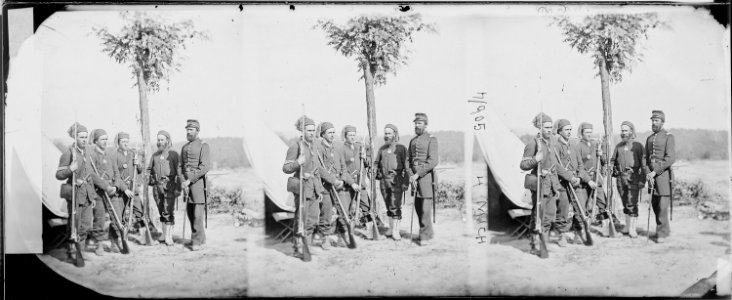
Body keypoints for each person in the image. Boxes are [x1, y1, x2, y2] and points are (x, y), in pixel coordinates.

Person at [56, 123, 111, 263]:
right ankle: (73, 249)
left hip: (86, 194)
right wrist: (70, 169)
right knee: (75, 223)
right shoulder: (69, 153)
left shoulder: (87, 153)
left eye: (86, 137)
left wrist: (92, 195)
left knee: (86, 224)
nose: (84, 140)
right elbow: (59, 174)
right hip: (75, 194)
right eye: (81, 137)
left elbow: (91, 176)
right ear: (75, 137)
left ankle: (80, 249)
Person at [520, 113, 571, 258]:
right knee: (538, 216)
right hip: (540, 184)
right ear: (539, 127)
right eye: (546, 127)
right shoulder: (533, 144)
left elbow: (555, 165)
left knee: (548, 216)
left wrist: (569, 177)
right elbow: (523, 164)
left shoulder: (553, 143)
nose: (549, 130)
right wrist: (536, 159)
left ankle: (544, 242)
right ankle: (534, 244)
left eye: (550, 127)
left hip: (552, 184)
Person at [283, 115, 324, 260]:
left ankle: (307, 246)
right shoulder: (296, 147)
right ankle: (297, 248)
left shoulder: (315, 146)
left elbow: (317, 170)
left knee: (312, 220)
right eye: (309, 130)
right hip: (302, 189)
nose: (312, 133)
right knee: (301, 220)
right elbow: (286, 168)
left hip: (313, 189)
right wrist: (298, 163)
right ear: (302, 130)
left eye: (313, 130)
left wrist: (319, 190)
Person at [315, 122, 356, 249]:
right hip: (326, 186)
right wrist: (333, 180)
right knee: (326, 213)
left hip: (339, 185)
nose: (332, 135)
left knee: (343, 212)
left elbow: (344, 167)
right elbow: (320, 169)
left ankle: (341, 236)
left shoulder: (337, 148)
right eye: (329, 132)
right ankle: (325, 239)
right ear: (323, 134)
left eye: (333, 132)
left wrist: (343, 180)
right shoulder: (319, 149)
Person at [88, 129, 127, 254]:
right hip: (99, 192)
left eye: (106, 139)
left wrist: (115, 186)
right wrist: (105, 186)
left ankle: (114, 242)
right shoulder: (91, 155)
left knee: (117, 218)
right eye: (102, 139)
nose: (105, 141)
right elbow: (92, 175)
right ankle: (99, 244)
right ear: (95, 141)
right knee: (99, 219)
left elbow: (116, 173)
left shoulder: (109, 155)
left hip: (112, 191)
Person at [553, 119, 591, 245]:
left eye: (570, 129)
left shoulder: (573, 145)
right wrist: (569, 177)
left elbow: (580, 164)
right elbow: (556, 166)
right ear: (559, 131)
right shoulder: (556, 146)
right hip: (563, 183)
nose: (569, 132)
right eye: (566, 130)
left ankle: (577, 234)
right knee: (563, 210)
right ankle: (562, 236)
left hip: (576, 182)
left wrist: (579, 177)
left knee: (579, 208)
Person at [407, 113, 439, 246]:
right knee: (418, 208)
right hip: (414, 180)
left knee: (426, 209)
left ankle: (424, 236)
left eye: (419, 123)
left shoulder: (432, 139)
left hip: (426, 179)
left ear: (425, 125)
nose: (417, 125)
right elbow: (408, 160)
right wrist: (410, 175)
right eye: (415, 123)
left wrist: (417, 174)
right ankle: (428, 233)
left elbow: (433, 160)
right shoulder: (413, 141)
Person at [610, 121, 646, 238]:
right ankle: (627, 226)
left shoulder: (638, 146)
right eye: (622, 130)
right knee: (625, 202)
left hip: (633, 178)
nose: (624, 133)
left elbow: (644, 165)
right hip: (621, 178)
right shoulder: (618, 146)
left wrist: (642, 180)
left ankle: (632, 229)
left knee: (632, 203)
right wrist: (612, 169)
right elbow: (612, 161)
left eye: (626, 130)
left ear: (631, 131)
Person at [644, 110, 675, 243]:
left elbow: (670, 158)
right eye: (652, 120)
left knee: (663, 206)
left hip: (663, 176)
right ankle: (665, 230)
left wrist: (655, 171)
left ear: (662, 122)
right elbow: (645, 158)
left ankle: (661, 233)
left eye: (656, 121)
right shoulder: (649, 138)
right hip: (651, 178)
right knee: (655, 205)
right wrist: (647, 173)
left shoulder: (669, 137)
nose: (654, 123)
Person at [180, 120, 211, 251]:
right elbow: (180, 166)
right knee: (190, 214)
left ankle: (196, 241)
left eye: (191, 129)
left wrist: (189, 180)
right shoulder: (184, 147)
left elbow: (204, 167)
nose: (188, 132)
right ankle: (202, 239)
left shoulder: (204, 145)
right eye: (187, 129)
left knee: (198, 215)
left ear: (197, 131)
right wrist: (183, 181)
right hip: (187, 187)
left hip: (199, 185)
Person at [374, 124, 408, 240]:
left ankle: (396, 231)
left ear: (395, 134)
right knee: (388, 205)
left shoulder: (401, 148)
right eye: (386, 133)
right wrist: (374, 171)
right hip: (384, 181)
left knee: (395, 205)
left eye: (389, 133)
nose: (387, 135)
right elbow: (376, 163)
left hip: (396, 180)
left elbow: (407, 167)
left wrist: (405, 182)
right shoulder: (382, 149)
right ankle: (390, 228)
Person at [148, 130, 182, 245]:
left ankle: (169, 236)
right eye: (158, 140)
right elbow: (149, 169)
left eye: (162, 139)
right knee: (161, 210)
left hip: (169, 186)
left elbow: (179, 171)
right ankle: (163, 234)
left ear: (167, 140)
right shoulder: (154, 155)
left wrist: (178, 188)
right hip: (157, 187)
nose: (160, 142)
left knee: (168, 211)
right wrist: (149, 177)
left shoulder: (173, 154)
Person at [336, 125, 371, 231]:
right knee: (346, 208)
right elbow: (342, 170)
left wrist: (365, 158)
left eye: (353, 134)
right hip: (348, 184)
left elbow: (367, 163)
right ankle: (345, 231)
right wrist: (352, 183)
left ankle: (369, 228)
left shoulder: (360, 147)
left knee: (366, 206)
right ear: (345, 136)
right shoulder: (341, 149)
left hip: (360, 182)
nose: (352, 137)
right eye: (350, 135)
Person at [575, 123, 610, 230]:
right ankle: (585, 227)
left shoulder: (595, 144)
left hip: (596, 177)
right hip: (585, 180)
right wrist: (589, 181)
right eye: (586, 132)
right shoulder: (578, 146)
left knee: (602, 203)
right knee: (584, 205)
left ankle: (605, 225)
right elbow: (578, 167)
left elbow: (604, 162)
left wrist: (601, 155)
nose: (589, 134)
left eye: (590, 132)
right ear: (582, 133)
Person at [110, 132, 145, 238]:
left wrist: (138, 164)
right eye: (123, 141)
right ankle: (116, 239)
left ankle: (136, 229)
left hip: (133, 188)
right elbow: (115, 176)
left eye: (127, 141)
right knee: (118, 215)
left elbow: (139, 170)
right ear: (118, 142)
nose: (125, 143)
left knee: (139, 211)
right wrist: (125, 189)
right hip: (121, 190)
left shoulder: (132, 153)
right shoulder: (114, 156)